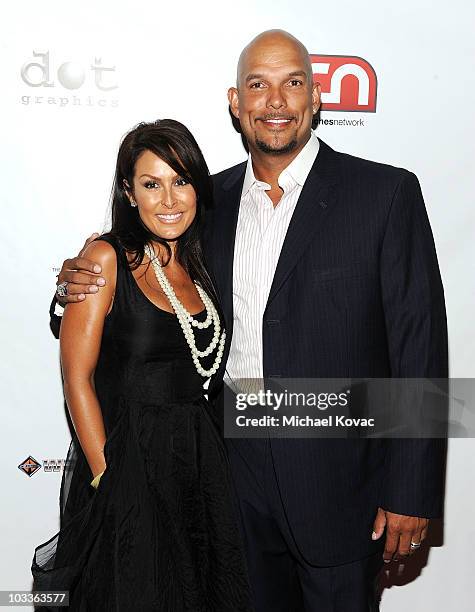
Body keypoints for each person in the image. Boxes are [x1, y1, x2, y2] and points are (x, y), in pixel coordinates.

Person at [50, 30, 448, 612]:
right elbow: (136, 276)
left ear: (317, 97)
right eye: (258, 85)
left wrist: (411, 490)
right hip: (224, 476)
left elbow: (420, 345)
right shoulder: (205, 202)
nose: (276, 101)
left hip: (337, 477)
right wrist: (71, 283)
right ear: (236, 104)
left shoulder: (385, 194)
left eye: (292, 83)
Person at [32, 119, 253, 611]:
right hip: (129, 464)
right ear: (130, 193)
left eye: (181, 181)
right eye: (152, 184)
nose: (169, 200)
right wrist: (104, 477)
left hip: (199, 463)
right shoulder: (107, 258)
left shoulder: (201, 260)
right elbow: (76, 377)